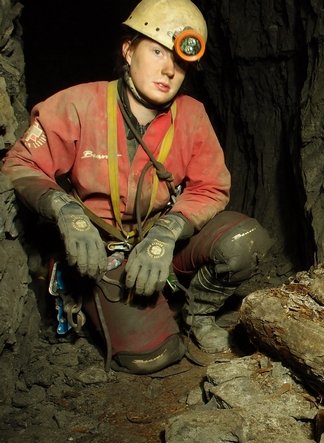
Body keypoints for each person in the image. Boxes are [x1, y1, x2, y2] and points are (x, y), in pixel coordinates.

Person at [1, 0, 271, 374]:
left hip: (163, 243)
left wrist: (167, 231)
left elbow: (211, 188)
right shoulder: (78, 104)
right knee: (151, 356)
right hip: (104, 253)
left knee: (246, 242)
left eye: (179, 62)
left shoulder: (191, 116)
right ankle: (142, 312)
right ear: (128, 51)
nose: (168, 70)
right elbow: (19, 163)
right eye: (157, 51)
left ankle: (197, 313)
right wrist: (65, 212)